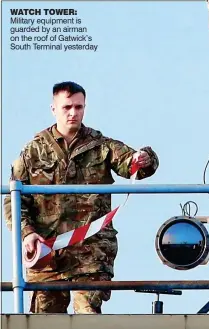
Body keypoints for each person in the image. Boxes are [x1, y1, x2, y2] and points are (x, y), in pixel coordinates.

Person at [3, 81, 159, 314]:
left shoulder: (101, 146)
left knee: (87, 321)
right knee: (45, 328)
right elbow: (13, 200)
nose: (73, 113)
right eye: (67, 107)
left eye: (79, 107)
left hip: (91, 251)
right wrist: (27, 233)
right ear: (54, 109)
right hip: (48, 254)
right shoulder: (33, 151)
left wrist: (145, 158)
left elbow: (132, 164)